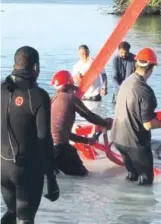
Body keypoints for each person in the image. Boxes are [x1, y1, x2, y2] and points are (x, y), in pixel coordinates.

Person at [1, 46, 59, 224]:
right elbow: (44, 138)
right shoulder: (38, 96)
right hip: (27, 169)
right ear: (35, 68)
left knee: (11, 211)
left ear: (14, 65)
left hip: (2, 166)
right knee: (25, 219)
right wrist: (51, 177)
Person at [110, 47, 161, 186]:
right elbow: (148, 124)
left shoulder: (126, 82)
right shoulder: (145, 91)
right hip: (134, 143)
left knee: (132, 175)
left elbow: (135, 111)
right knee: (146, 182)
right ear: (151, 68)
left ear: (136, 64)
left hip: (118, 139)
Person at [51, 70, 113, 176]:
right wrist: (105, 123)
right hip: (62, 150)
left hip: (47, 149)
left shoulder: (52, 100)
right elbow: (89, 115)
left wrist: (85, 140)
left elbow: (61, 132)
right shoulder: (71, 98)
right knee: (84, 176)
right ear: (69, 86)